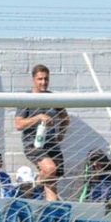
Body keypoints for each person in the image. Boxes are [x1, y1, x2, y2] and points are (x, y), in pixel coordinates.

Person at [14, 64, 70, 201]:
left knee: (52, 183)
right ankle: (35, 181)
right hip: (34, 145)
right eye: (40, 79)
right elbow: (18, 124)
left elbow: (65, 118)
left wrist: (60, 135)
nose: (43, 82)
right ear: (33, 79)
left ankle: (53, 215)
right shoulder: (26, 98)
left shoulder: (53, 98)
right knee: (50, 170)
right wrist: (38, 118)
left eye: (46, 79)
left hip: (51, 144)